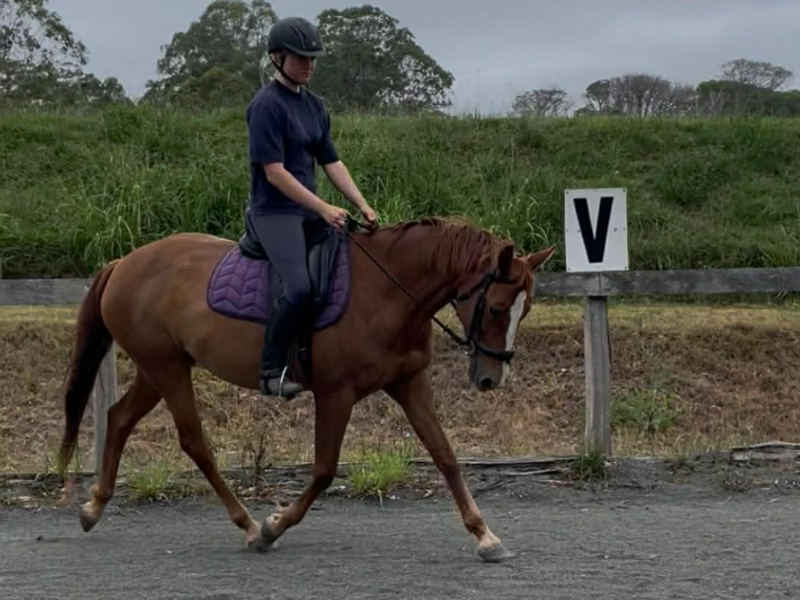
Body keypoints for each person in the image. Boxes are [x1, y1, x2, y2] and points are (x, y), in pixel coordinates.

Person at [246, 16, 377, 399]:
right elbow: (274, 173)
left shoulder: (314, 106)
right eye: (302, 57)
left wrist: (361, 204)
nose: (310, 64)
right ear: (277, 57)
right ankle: (270, 370)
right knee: (299, 288)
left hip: (308, 211)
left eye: (313, 58)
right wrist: (322, 208)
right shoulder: (266, 106)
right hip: (274, 213)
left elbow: (331, 162)